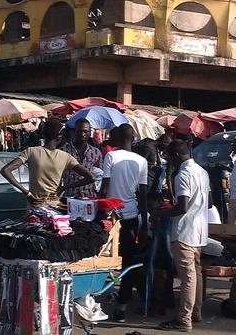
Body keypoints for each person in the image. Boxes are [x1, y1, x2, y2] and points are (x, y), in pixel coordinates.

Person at [153, 139, 210, 332]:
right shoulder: (202, 172)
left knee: (188, 278)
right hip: (199, 231)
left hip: (185, 231)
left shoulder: (183, 175)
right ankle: (196, 312)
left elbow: (182, 207)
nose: (168, 160)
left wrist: (159, 213)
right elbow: (209, 202)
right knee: (196, 273)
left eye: (169, 157)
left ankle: (184, 320)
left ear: (176, 156)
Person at [99, 123, 149, 322]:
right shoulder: (142, 161)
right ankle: (121, 307)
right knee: (128, 262)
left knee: (102, 259)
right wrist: (144, 224)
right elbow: (143, 195)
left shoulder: (111, 156)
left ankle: (98, 298)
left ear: (118, 139)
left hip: (111, 218)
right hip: (131, 217)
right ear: (133, 139)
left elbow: (104, 189)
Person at [1, 119, 95, 208]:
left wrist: (27, 193)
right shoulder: (66, 157)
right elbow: (91, 178)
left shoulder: (31, 151)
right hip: (54, 207)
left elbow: (5, 170)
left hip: (35, 206)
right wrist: (64, 188)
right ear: (59, 136)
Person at [60, 119, 103, 199]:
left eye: (85, 131)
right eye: (79, 131)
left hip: (90, 196)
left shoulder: (96, 152)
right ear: (74, 132)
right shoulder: (63, 151)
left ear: (90, 133)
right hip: (69, 196)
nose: (82, 134)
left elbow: (99, 176)